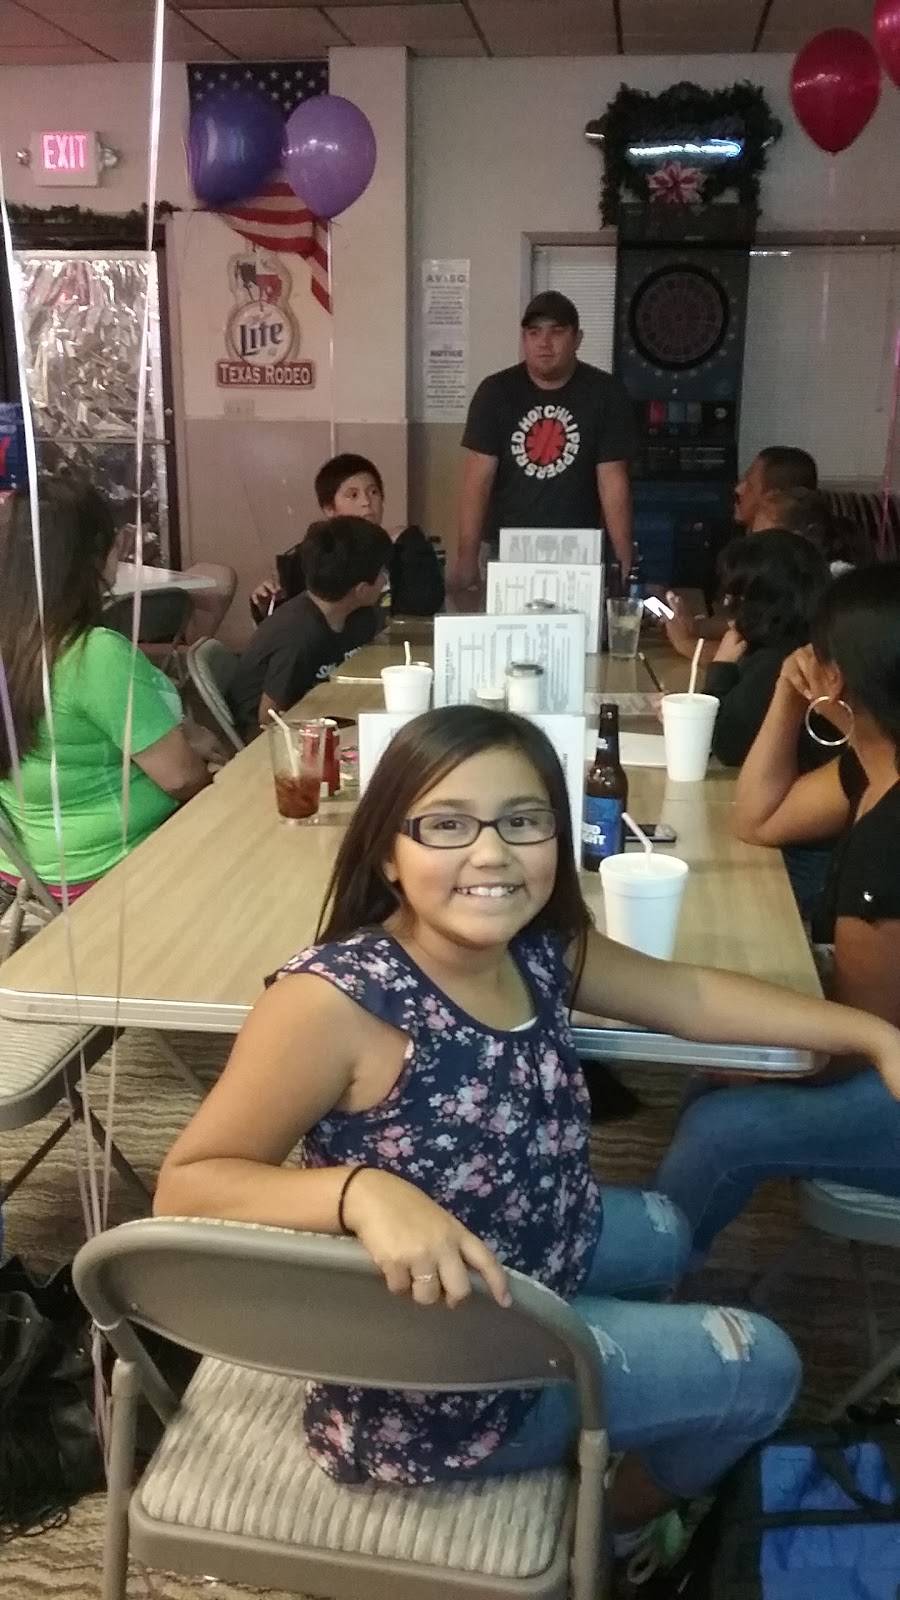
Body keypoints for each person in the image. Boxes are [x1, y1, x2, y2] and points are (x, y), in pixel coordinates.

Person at [155, 706, 900, 1585]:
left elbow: (687, 996)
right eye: (447, 825)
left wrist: (870, 1034)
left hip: (531, 1249)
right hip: (438, 1366)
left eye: (523, 821)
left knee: (669, 1232)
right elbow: (187, 1184)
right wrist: (360, 1191)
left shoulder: (538, 948)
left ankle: (621, 1390)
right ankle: (614, 1531)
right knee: (765, 1366)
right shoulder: (333, 1003)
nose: (492, 854)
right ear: (388, 853)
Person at [656, 564, 900, 1260]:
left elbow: (862, 1045)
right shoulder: (873, 767)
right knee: (717, 1079)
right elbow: (758, 820)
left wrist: (755, 1062)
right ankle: (665, 1249)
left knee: (722, 1128)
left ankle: (641, 1279)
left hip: (889, 1076)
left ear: (838, 678)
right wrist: (791, 702)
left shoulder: (890, 843)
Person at [0, 483, 210, 897]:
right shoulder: (93, 655)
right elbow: (182, 780)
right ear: (97, 557)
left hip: (25, 863)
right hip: (113, 864)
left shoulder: (19, 645)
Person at [451, 292, 635, 593]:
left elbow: (613, 482)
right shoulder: (495, 392)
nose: (544, 343)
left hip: (579, 548)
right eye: (534, 333)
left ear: (577, 339)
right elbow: (477, 481)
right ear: (523, 339)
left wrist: (625, 558)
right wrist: (466, 556)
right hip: (505, 547)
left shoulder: (606, 393)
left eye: (556, 332)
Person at [228, 516, 392, 741]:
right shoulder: (299, 636)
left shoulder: (357, 614)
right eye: (382, 572)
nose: (385, 579)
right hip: (271, 737)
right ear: (362, 590)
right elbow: (269, 718)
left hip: (324, 711)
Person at [249, 454, 444, 624]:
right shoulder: (313, 555)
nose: (366, 502)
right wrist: (265, 605)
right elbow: (290, 623)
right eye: (353, 495)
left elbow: (424, 607)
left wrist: (408, 546)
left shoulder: (403, 545)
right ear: (329, 509)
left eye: (373, 492)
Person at [666, 445, 819, 660]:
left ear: (773, 499)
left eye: (750, 483)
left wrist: (688, 645)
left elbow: (768, 657)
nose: (738, 489)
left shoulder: (799, 572)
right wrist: (696, 625)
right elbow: (752, 622)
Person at [705, 532, 830, 769]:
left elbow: (725, 745)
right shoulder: (810, 641)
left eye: (737, 594)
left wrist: (721, 667)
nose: (728, 603)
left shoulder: (774, 660)